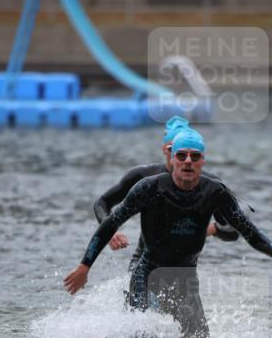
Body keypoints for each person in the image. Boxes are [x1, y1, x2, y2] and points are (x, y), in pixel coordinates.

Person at [65, 128, 272, 338]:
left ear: (203, 161)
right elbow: (110, 223)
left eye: (195, 156)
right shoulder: (149, 188)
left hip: (185, 277)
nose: (188, 161)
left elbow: (247, 230)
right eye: (181, 156)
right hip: (148, 273)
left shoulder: (215, 191)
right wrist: (85, 266)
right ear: (172, 159)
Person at [93, 116, 238, 271]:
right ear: (165, 150)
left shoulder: (211, 185)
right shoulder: (144, 177)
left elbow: (233, 230)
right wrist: (109, 231)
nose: (179, 157)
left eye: (185, 152)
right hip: (144, 263)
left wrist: (208, 229)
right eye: (173, 150)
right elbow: (102, 203)